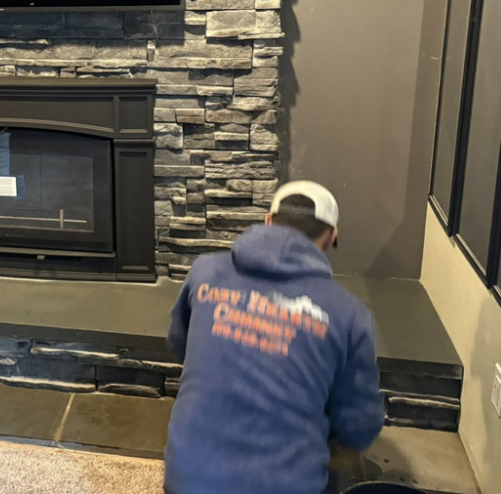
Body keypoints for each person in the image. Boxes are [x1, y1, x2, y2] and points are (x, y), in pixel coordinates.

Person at [164, 181, 384, 494]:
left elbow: (180, 344)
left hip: (186, 478)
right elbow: (359, 427)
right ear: (330, 238)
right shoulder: (350, 315)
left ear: (268, 220)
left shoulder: (205, 272)